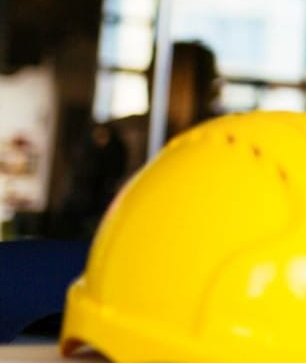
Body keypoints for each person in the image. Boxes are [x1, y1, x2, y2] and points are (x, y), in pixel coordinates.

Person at [46, 41, 223, 240]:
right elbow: (74, 220)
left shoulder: (221, 143)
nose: (218, 92)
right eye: (212, 81)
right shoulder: (113, 139)